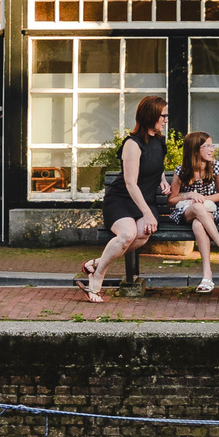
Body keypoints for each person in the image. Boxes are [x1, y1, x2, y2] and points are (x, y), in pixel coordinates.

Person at [83, 95, 170, 302]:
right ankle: (98, 275)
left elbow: (155, 164)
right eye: (163, 116)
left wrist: (162, 180)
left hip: (144, 200)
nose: (166, 119)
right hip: (122, 198)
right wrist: (148, 213)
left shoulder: (159, 140)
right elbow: (130, 183)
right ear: (151, 116)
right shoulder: (133, 144)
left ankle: (97, 262)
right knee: (127, 235)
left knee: (143, 233)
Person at [169, 130, 219, 292]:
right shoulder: (181, 170)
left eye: (212, 145)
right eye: (207, 146)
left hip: (209, 211)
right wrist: (190, 195)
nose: (212, 149)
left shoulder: (216, 167)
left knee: (199, 224)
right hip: (186, 212)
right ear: (195, 149)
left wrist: (204, 199)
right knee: (196, 208)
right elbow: (172, 199)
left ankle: (207, 277)